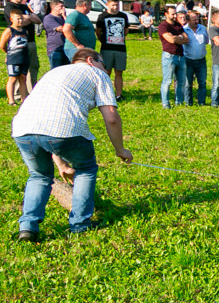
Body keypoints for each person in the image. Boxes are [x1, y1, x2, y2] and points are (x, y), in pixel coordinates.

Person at [11, 48, 133, 241]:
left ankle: (27, 227)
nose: (105, 68)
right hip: (64, 130)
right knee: (85, 169)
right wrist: (121, 150)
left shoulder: (54, 72)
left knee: (39, 176)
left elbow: (50, 116)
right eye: (103, 64)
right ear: (92, 60)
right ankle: (79, 224)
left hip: (22, 128)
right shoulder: (97, 74)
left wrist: (60, 164)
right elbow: (111, 117)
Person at [5, 0, 42, 91]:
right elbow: (17, 23)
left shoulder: (25, 6)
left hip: (30, 41)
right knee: (18, 70)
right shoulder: (10, 6)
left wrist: (28, 17)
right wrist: (29, 18)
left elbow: (38, 20)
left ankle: (31, 91)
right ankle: (17, 93)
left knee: (33, 67)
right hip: (18, 42)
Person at [95, 0, 130, 102]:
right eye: (113, 5)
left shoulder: (123, 16)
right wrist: (103, 40)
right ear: (107, 5)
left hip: (120, 49)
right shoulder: (102, 16)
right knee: (107, 72)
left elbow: (126, 30)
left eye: (117, 5)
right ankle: (106, 94)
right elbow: (98, 31)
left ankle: (119, 95)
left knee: (119, 72)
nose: (115, 7)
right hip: (107, 48)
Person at [157, 6, 188, 108]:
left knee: (181, 81)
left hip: (180, 56)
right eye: (172, 14)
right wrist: (179, 37)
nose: (175, 16)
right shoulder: (163, 26)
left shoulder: (178, 25)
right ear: (166, 14)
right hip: (169, 56)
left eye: (175, 14)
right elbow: (171, 40)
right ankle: (165, 103)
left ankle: (179, 102)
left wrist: (176, 37)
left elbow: (187, 39)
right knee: (167, 81)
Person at [2, 9, 30, 105]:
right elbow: (2, 45)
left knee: (23, 78)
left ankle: (24, 100)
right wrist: (8, 53)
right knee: (13, 78)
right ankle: (11, 100)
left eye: (21, 19)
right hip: (14, 59)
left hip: (24, 59)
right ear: (12, 19)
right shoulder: (9, 30)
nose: (20, 21)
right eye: (18, 19)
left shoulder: (25, 31)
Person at [182, 11, 209, 106]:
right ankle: (188, 102)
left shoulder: (203, 28)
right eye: (194, 20)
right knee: (188, 83)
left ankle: (202, 102)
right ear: (188, 20)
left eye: (197, 19)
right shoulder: (184, 30)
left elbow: (206, 41)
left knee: (202, 82)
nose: (196, 21)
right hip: (188, 60)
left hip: (201, 60)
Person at [43, 0, 69, 70]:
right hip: (55, 49)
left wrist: (64, 16)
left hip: (65, 48)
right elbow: (62, 29)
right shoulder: (49, 18)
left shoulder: (64, 18)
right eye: (61, 6)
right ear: (54, 7)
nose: (63, 8)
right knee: (56, 70)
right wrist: (64, 16)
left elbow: (71, 27)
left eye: (63, 6)